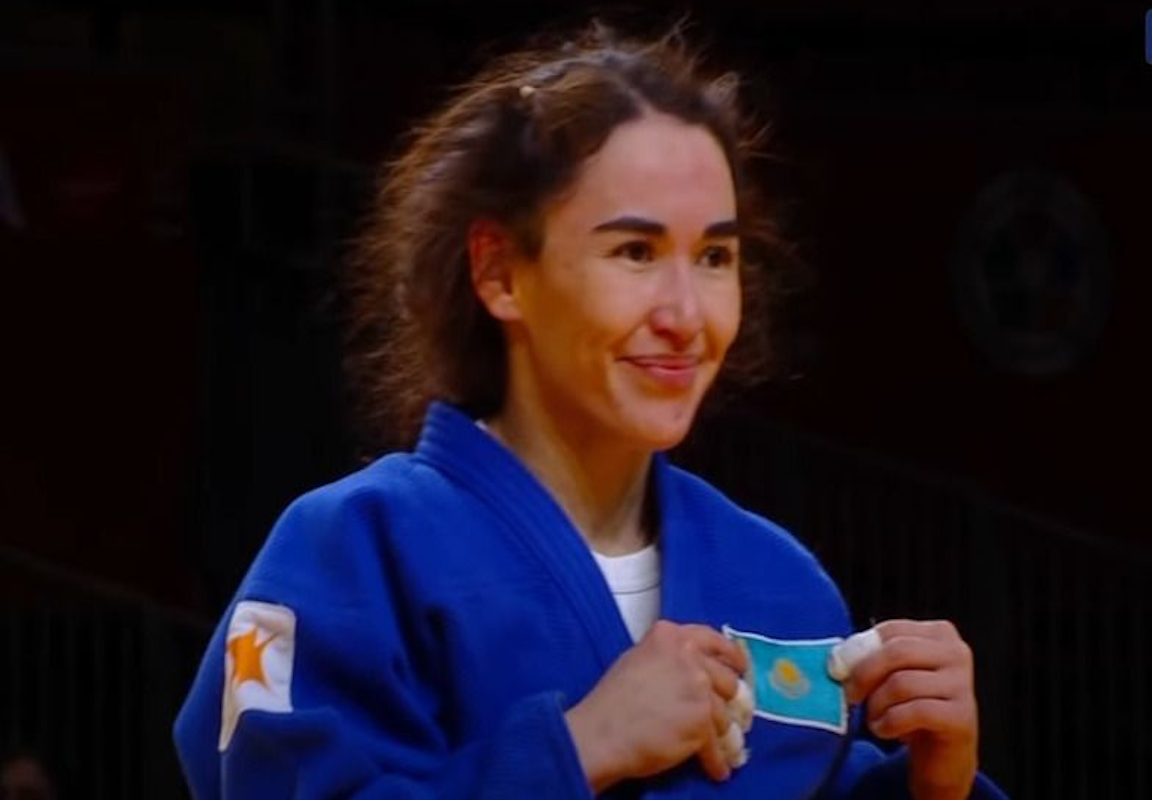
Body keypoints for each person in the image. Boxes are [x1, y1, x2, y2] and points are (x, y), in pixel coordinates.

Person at [175, 22, 1008, 800]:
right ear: (499, 272)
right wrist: (578, 747)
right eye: (635, 252)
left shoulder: (778, 585)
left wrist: (936, 784)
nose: (686, 314)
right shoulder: (355, 552)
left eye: (715, 256)